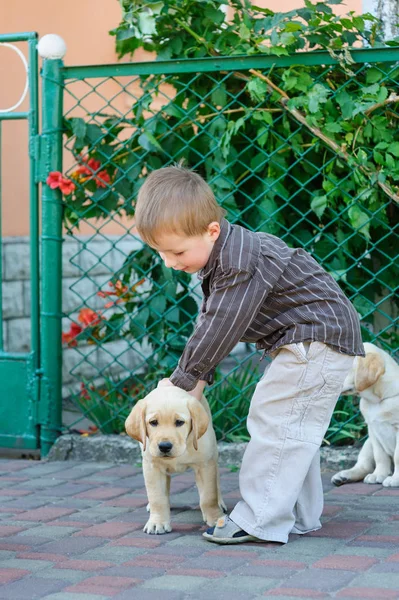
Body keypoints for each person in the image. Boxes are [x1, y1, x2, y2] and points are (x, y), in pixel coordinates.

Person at [134, 163, 364, 545]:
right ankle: (297, 516)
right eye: (161, 253)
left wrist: (183, 381)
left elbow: (222, 322)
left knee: (274, 420)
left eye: (176, 251)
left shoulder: (238, 260)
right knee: (293, 427)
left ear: (211, 231)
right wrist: (197, 379)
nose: (171, 262)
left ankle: (258, 519)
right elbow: (212, 321)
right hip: (315, 339)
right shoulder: (226, 256)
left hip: (316, 338)